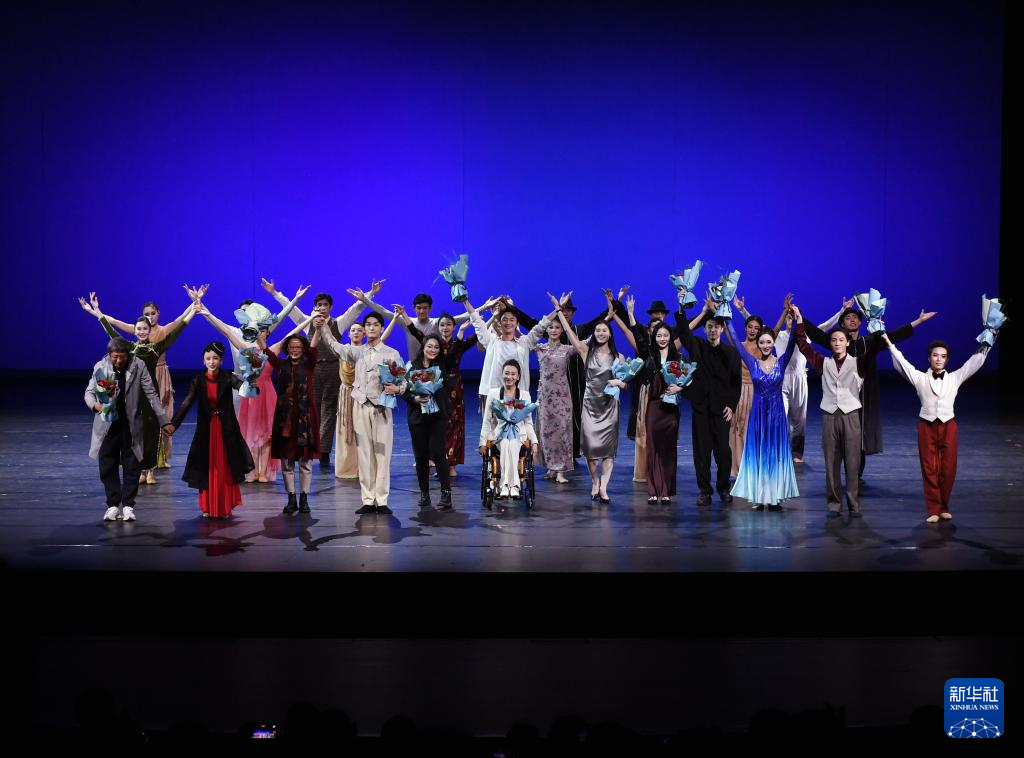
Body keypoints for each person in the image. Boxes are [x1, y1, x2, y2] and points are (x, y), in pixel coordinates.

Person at [800, 300, 935, 486]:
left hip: (865, 392)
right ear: (842, 323)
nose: (852, 320)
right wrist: (798, 316)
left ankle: (856, 473)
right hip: (841, 394)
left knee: (860, 433)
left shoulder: (869, 342)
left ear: (860, 323)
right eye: (848, 318)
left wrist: (918, 321)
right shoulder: (837, 342)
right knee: (838, 434)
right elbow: (816, 335)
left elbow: (893, 336)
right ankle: (837, 473)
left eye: (855, 318)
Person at [190, 285, 310, 484]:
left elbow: (292, 333)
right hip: (249, 394)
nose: (260, 332)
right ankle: (251, 470)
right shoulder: (245, 347)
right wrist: (206, 312)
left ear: (266, 332)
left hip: (267, 395)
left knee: (267, 435)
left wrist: (309, 318)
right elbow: (224, 330)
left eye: (263, 330)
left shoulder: (272, 349)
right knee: (249, 434)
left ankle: (263, 471)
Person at [81, 294, 197, 485]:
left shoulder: (156, 348)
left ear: (149, 330)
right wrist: (96, 310)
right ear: (134, 331)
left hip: (150, 394)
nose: (142, 331)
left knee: (152, 432)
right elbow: (111, 330)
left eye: (145, 328)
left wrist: (194, 310)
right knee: (136, 433)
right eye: (139, 329)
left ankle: (150, 470)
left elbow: (178, 329)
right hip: (133, 396)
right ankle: (140, 469)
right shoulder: (129, 349)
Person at [262, 277, 377, 469]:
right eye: (318, 305)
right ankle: (307, 448)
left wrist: (370, 294)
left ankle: (323, 452)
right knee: (310, 410)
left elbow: (355, 309)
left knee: (329, 410)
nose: (322, 308)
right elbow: (291, 309)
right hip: (312, 370)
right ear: (314, 307)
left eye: (325, 305)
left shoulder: (338, 323)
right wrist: (275, 293)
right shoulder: (308, 323)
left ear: (330, 307)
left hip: (332, 369)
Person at [884, 330, 996, 522]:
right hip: (926, 426)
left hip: (948, 426)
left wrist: (990, 338)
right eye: (935, 355)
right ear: (929, 358)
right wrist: (887, 341)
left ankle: (944, 506)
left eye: (943, 356)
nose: (938, 359)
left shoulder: (954, 378)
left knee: (948, 468)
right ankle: (933, 509)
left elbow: (974, 362)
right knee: (928, 468)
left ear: (947, 360)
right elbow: (902, 362)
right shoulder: (920, 378)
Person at [793, 304, 879, 518]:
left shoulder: (859, 362)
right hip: (830, 416)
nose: (837, 343)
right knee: (831, 462)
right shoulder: (823, 362)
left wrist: (877, 325)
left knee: (852, 462)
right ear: (830, 344)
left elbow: (875, 347)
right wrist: (799, 321)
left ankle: (853, 504)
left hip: (851, 416)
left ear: (848, 343)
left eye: (841, 340)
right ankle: (833, 504)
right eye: (834, 340)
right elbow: (803, 345)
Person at [319, 310, 405, 514]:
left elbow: (403, 381)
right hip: (361, 405)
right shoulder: (357, 352)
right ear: (365, 329)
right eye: (368, 324)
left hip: (382, 407)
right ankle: (367, 499)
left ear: (381, 328)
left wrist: (398, 389)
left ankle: (381, 500)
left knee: (382, 453)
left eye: (376, 324)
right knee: (364, 453)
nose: (372, 327)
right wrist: (323, 327)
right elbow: (334, 346)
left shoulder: (391, 353)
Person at [85, 336, 175, 522]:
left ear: (128, 355)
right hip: (108, 424)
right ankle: (112, 505)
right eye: (115, 357)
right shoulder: (101, 367)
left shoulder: (138, 365)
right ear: (109, 355)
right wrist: (95, 405)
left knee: (132, 466)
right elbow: (89, 392)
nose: (119, 360)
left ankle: (127, 506)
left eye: (122, 356)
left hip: (131, 424)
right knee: (107, 465)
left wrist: (163, 420)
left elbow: (151, 393)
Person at [169, 340, 255, 518]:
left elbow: (244, 388)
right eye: (208, 358)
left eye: (215, 358)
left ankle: (223, 506)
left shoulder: (228, 377)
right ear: (203, 361)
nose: (211, 362)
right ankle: (208, 505)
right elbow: (186, 403)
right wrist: (173, 424)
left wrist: (251, 380)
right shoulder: (198, 380)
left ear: (221, 360)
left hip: (225, 429)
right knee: (207, 466)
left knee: (223, 466)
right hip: (206, 430)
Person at [557, 303, 630, 504]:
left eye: (604, 330)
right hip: (590, 406)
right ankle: (595, 481)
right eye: (597, 330)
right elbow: (569, 333)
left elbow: (626, 384)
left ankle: (604, 487)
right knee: (590, 450)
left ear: (610, 333)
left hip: (610, 407)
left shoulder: (619, 357)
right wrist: (559, 311)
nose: (600, 333)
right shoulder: (585, 351)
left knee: (608, 451)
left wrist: (619, 382)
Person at [725, 315, 799, 509]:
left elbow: (792, 341)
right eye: (762, 342)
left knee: (775, 455)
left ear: (773, 343)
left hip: (776, 417)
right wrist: (727, 319)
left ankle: (775, 496)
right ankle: (758, 496)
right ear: (758, 344)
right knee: (758, 454)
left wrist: (796, 322)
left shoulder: (781, 362)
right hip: (758, 416)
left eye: (768, 342)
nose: (765, 345)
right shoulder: (752, 363)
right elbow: (735, 341)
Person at [675, 297, 742, 507]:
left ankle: (723, 488)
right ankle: (705, 491)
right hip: (701, 408)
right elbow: (683, 333)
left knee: (723, 452)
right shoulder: (698, 346)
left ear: (722, 329)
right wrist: (696, 310)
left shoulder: (731, 353)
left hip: (721, 409)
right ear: (705, 329)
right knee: (701, 452)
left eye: (716, 327)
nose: (713, 330)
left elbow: (736, 382)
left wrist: (732, 405)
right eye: (709, 327)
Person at [400, 310, 476, 479]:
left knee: (455, 425)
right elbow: (415, 332)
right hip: (434, 389)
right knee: (432, 425)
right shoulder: (434, 344)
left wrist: (489, 319)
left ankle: (451, 465)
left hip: (455, 388)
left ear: (454, 327)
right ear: (438, 327)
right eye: (442, 324)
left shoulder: (459, 342)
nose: (445, 327)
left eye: (449, 324)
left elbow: (479, 336)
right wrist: (404, 315)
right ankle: (432, 459)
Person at [263, 325, 323, 515]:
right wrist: (259, 335)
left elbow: (314, 347)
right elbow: (266, 350)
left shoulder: (309, 364)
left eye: (298, 347)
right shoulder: (281, 365)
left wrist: (318, 329)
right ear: (287, 349)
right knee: (287, 461)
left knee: (305, 462)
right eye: (291, 347)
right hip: (285, 420)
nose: (294, 350)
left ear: (303, 349)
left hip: (305, 420)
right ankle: (291, 499)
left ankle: (304, 499)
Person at [528, 297, 578, 483]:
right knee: (546, 432)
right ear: (547, 330)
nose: (554, 330)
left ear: (561, 330)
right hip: (545, 397)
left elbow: (587, 343)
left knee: (562, 431)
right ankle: (550, 467)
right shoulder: (539, 348)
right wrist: (555, 310)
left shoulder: (567, 349)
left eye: (557, 327)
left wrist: (607, 318)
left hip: (562, 397)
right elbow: (527, 336)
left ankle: (561, 471)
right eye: (551, 327)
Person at [402, 333, 453, 509]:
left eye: (436, 347)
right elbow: (404, 391)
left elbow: (446, 387)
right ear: (423, 347)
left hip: (437, 416)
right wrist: (414, 398)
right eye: (430, 346)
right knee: (421, 456)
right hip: (417, 417)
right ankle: (424, 493)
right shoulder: (412, 366)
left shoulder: (442, 366)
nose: (433, 350)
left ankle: (446, 493)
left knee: (438, 454)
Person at [479, 359, 538, 499]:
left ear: (518, 376)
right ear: (502, 374)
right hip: (499, 435)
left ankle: (510, 485)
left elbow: (528, 422)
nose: (509, 377)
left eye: (513, 374)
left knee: (512, 443)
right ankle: (508, 485)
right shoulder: (493, 394)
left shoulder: (524, 395)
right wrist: (482, 442)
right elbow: (487, 420)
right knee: (506, 442)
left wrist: (534, 441)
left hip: (519, 435)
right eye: (506, 373)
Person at [362, 289, 470, 360]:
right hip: (414, 368)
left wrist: (480, 309)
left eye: (425, 308)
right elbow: (383, 311)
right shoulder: (407, 322)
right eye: (419, 308)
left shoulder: (438, 323)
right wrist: (365, 300)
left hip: (434, 368)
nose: (422, 311)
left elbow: (463, 317)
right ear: (414, 308)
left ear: (430, 308)